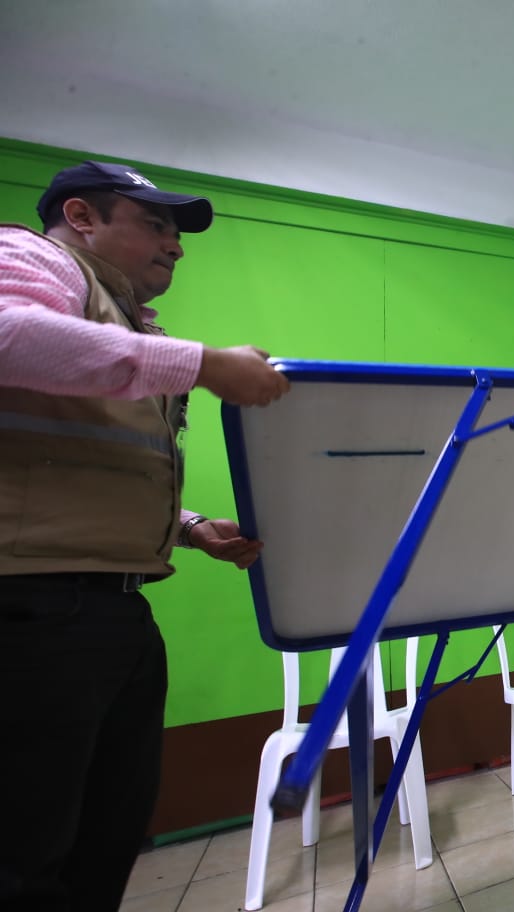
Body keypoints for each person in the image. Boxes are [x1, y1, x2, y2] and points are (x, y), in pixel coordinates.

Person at [0, 160, 291, 911]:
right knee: (26, 852)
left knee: (105, 837)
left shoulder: (128, 323)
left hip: (112, 610)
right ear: (82, 217)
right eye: (155, 224)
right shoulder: (34, 257)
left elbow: (87, 456)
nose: (177, 246)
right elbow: (8, 336)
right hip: (29, 611)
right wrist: (198, 364)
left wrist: (190, 528)